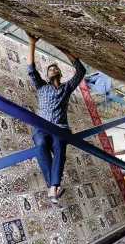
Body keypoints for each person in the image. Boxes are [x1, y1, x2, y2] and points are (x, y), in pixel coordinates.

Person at [26, 32, 86, 206]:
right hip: (42, 128)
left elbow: (81, 71)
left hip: (60, 128)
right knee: (40, 146)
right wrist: (32, 43)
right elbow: (31, 68)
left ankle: (53, 188)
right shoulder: (42, 87)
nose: (52, 70)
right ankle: (54, 186)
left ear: (59, 73)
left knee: (59, 145)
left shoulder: (66, 88)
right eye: (49, 69)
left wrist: (65, 51)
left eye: (55, 68)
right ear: (47, 75)